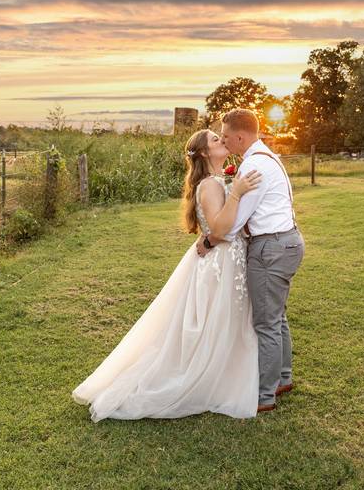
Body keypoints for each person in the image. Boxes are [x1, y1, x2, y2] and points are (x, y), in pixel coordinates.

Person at [71, 129, 262, 420]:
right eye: (214, 139)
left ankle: (224, 371)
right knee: (217, 319)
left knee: (223, 320)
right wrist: (235, 193)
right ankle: (206, 377)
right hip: (220, 262)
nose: (221, 141)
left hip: (226, 259)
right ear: (203, 153)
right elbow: (220, 229)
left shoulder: (216, 180)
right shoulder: (211, 185)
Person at [198, 108, 305, 413]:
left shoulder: (254, 167)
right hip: (288, 241)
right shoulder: (269, 158)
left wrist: (209, 239)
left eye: (227, 135)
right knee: (278, 316)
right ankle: (283, 378)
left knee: (266, 322)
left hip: (270, 249)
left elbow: (232, 225)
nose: (225, 140)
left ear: (241, 136)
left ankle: (264, 394)